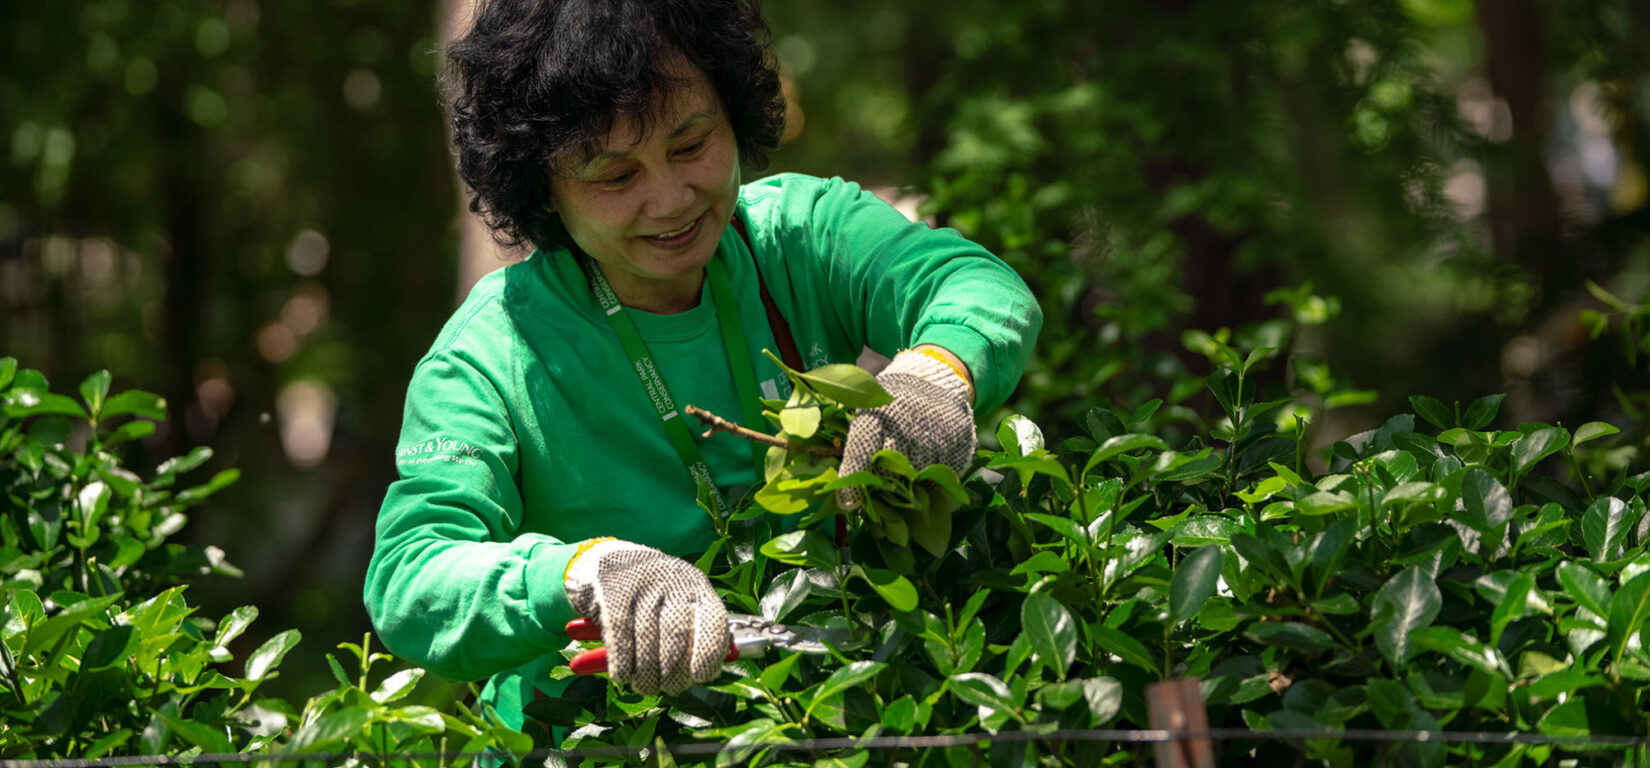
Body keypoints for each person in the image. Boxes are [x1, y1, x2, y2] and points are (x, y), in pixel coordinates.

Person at [363, 0, 1042, 734]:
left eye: (691, 145)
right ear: (542, 186)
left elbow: (974, 286)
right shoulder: (493, 354)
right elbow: (412, 575)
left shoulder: (800, 236)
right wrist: (581, 573)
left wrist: (935, 375)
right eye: (614, 174)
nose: (670, 198)